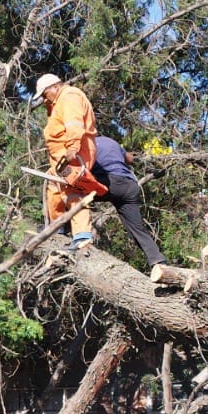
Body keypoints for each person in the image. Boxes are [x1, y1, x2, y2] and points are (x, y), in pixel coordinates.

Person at [31, 73, 102, 251]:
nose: (45, 99)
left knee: (73, 189)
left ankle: (82, 237)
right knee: (54, 188)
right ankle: (58, 228)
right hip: (61, 157)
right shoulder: (57, 102)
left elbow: (74, 124)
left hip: (75, 153)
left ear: (54, 86)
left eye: (45, 94)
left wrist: (72, 148)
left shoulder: (69, 97)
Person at [90, 134, 167, 269]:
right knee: (137, 228)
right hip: (129, 186)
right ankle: (158, 261)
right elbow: (129, 159)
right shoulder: (112, 141)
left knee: (73, 195)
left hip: (108, 182)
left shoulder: (88, 143)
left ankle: (65, 233)